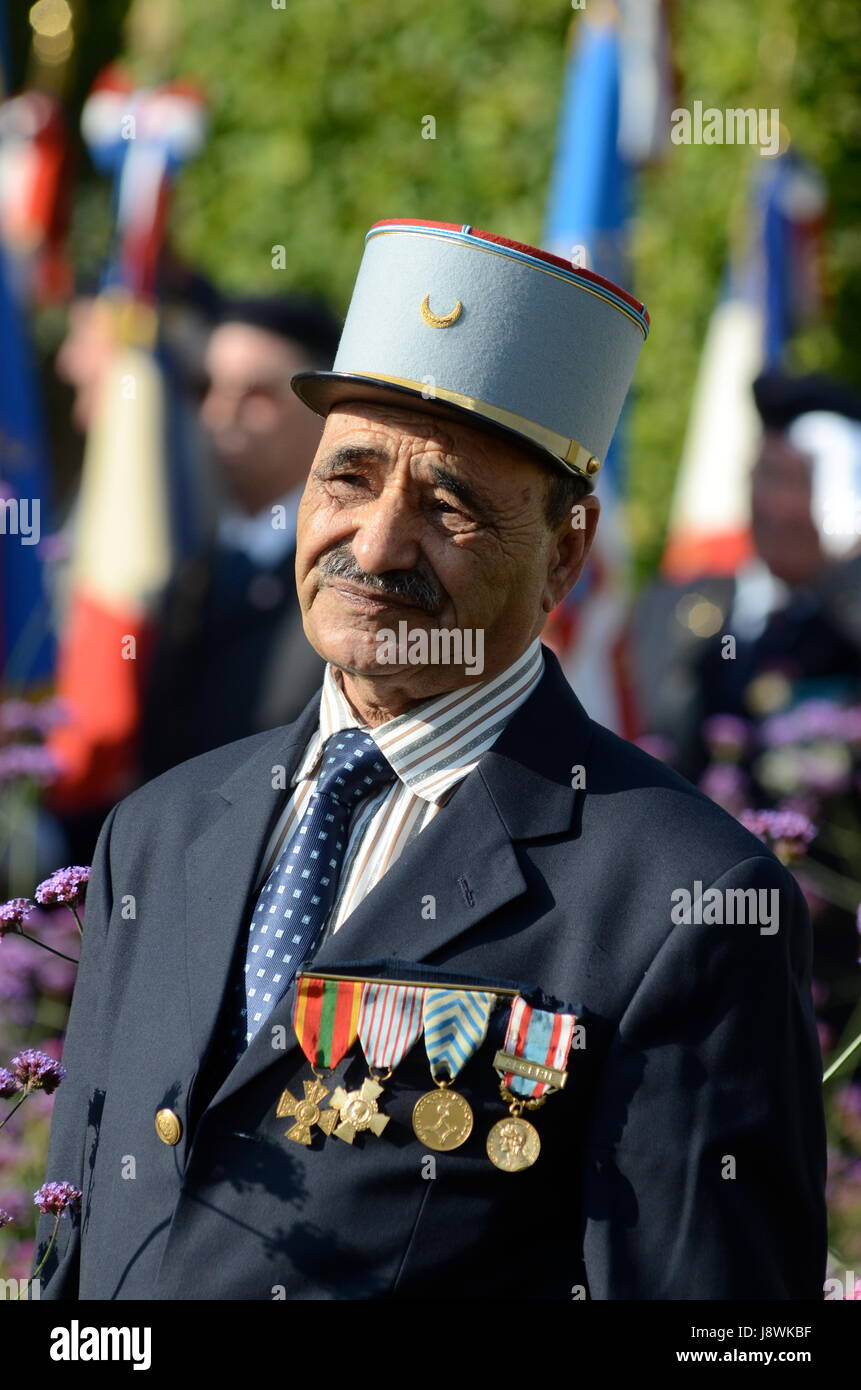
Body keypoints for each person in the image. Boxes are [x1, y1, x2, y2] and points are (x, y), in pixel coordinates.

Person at [34, 220, 826, 1300]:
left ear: (567, 552)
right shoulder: (161, 830)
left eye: (448, 505)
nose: (375, 545)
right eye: (348, 478)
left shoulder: (684, 901)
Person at [137, 292, 340, 779]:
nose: (219, 415)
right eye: (207, 388)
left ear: (324, 416)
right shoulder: (190, 567)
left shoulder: (353, 576)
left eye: (257, 394)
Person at [633, 371, 861, 781]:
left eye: (799, 481)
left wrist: (844, 559)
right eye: (766, 475)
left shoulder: (847, 618)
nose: (773, 505)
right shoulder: (675, 604)